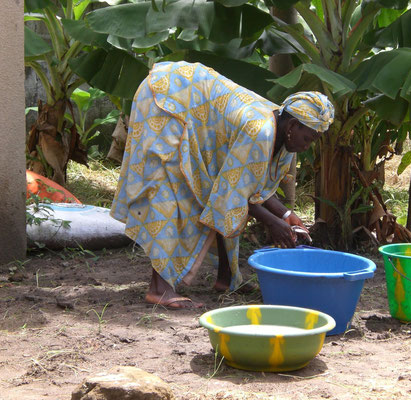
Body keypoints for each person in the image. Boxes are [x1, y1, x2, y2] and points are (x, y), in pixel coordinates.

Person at [111, 61, 334, 309]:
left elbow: (250, 185)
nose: (307, 146)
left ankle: (227, 279)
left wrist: (286, 214)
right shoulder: (261, 132)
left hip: (190, 102)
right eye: (308, 138)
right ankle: (159, 289)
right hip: (168, 99)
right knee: (174, 188)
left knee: (213, 193)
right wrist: (272, 223)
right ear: (293, 126)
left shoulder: (284, 135)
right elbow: (230, 195)